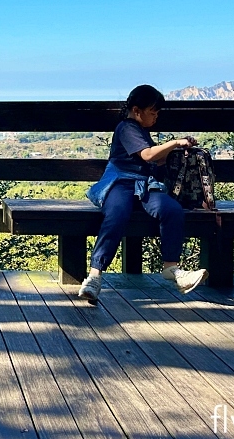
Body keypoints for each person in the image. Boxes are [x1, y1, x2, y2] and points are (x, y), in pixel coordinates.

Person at [78, 84, 208, 302]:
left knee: (171, 210)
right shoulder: (126, 128)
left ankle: (171, 267)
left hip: (143, 185)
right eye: (152, 112)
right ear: (137, 111)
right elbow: (148, 155)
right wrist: (175, 142)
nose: (155, 117)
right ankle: (94, 275)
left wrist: (177, 150)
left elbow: (156, 159)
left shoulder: (141, 130)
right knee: (116, 215)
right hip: (120, 182)